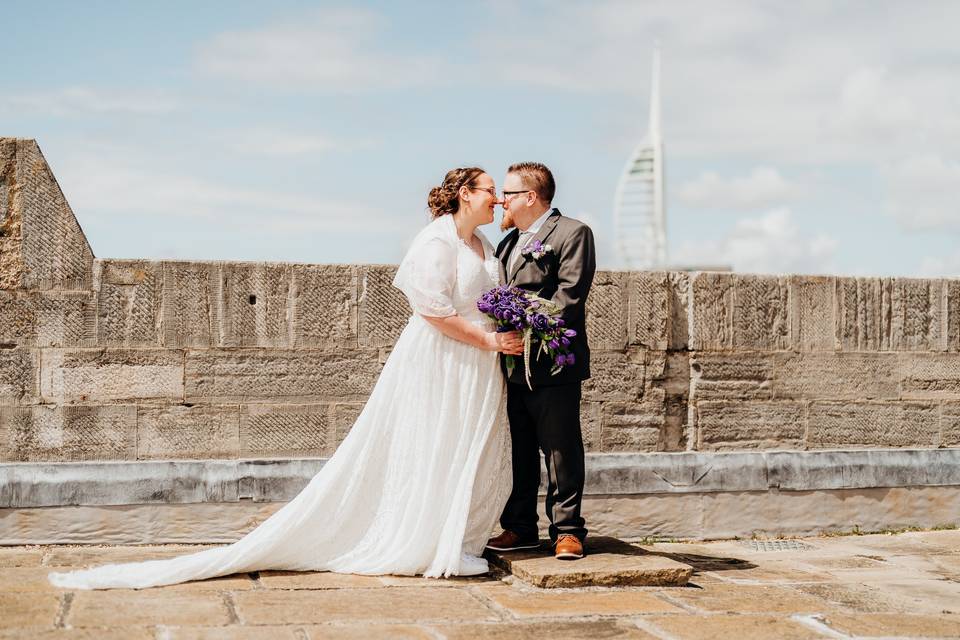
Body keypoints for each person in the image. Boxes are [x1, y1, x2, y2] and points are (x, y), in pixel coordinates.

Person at [49, 167, 523, 589]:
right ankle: (425, 541)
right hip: (444, 358)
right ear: (464, 193)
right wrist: (489, 342)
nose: (497, 199)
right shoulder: (437, 242)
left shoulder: (483, 245)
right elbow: (433, 311)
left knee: (470, 445)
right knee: (434, 443)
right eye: (489, 191)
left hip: (478, 364)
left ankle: (456, 537)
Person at [486, 162, 596, 561]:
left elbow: (569, 296)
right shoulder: (508, 242)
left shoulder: (572, 233)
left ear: (530, 197)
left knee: (561, 449)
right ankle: (519, 527)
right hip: (513, 364)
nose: (501, 200)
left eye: (508, 193)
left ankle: (567, 531)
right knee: (519, 448)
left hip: (553, 362)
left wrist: (520, 318)